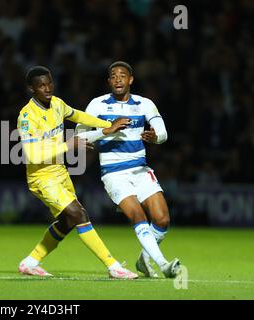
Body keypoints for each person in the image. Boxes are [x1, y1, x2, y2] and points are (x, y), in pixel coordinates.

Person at [17, 66, 138, 279]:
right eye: (41, 86)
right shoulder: (27, 116)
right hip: (41, 177)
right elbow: (33, 155)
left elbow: (79, 116)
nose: (47, 89)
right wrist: (68, 145)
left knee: (68, 221)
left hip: (59, 172)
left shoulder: (57, 104)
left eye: (49, 83)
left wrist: (107, 126)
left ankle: (30, 262)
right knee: (79, 214)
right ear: (31, 89)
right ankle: (114, 267)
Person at [76, 61, 181, 278]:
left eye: (122, 75)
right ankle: (162, 264)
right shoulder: (97, 105)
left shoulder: (144, 104)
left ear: (130, 79)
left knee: (162, 220)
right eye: (113, 76)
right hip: (114, 173)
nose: (117, 79)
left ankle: (144, 259)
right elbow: (79, 137)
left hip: (141, 170)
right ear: (108, 81)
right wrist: (107, 130)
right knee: (137, 215)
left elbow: (163, 133)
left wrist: (156, 138)